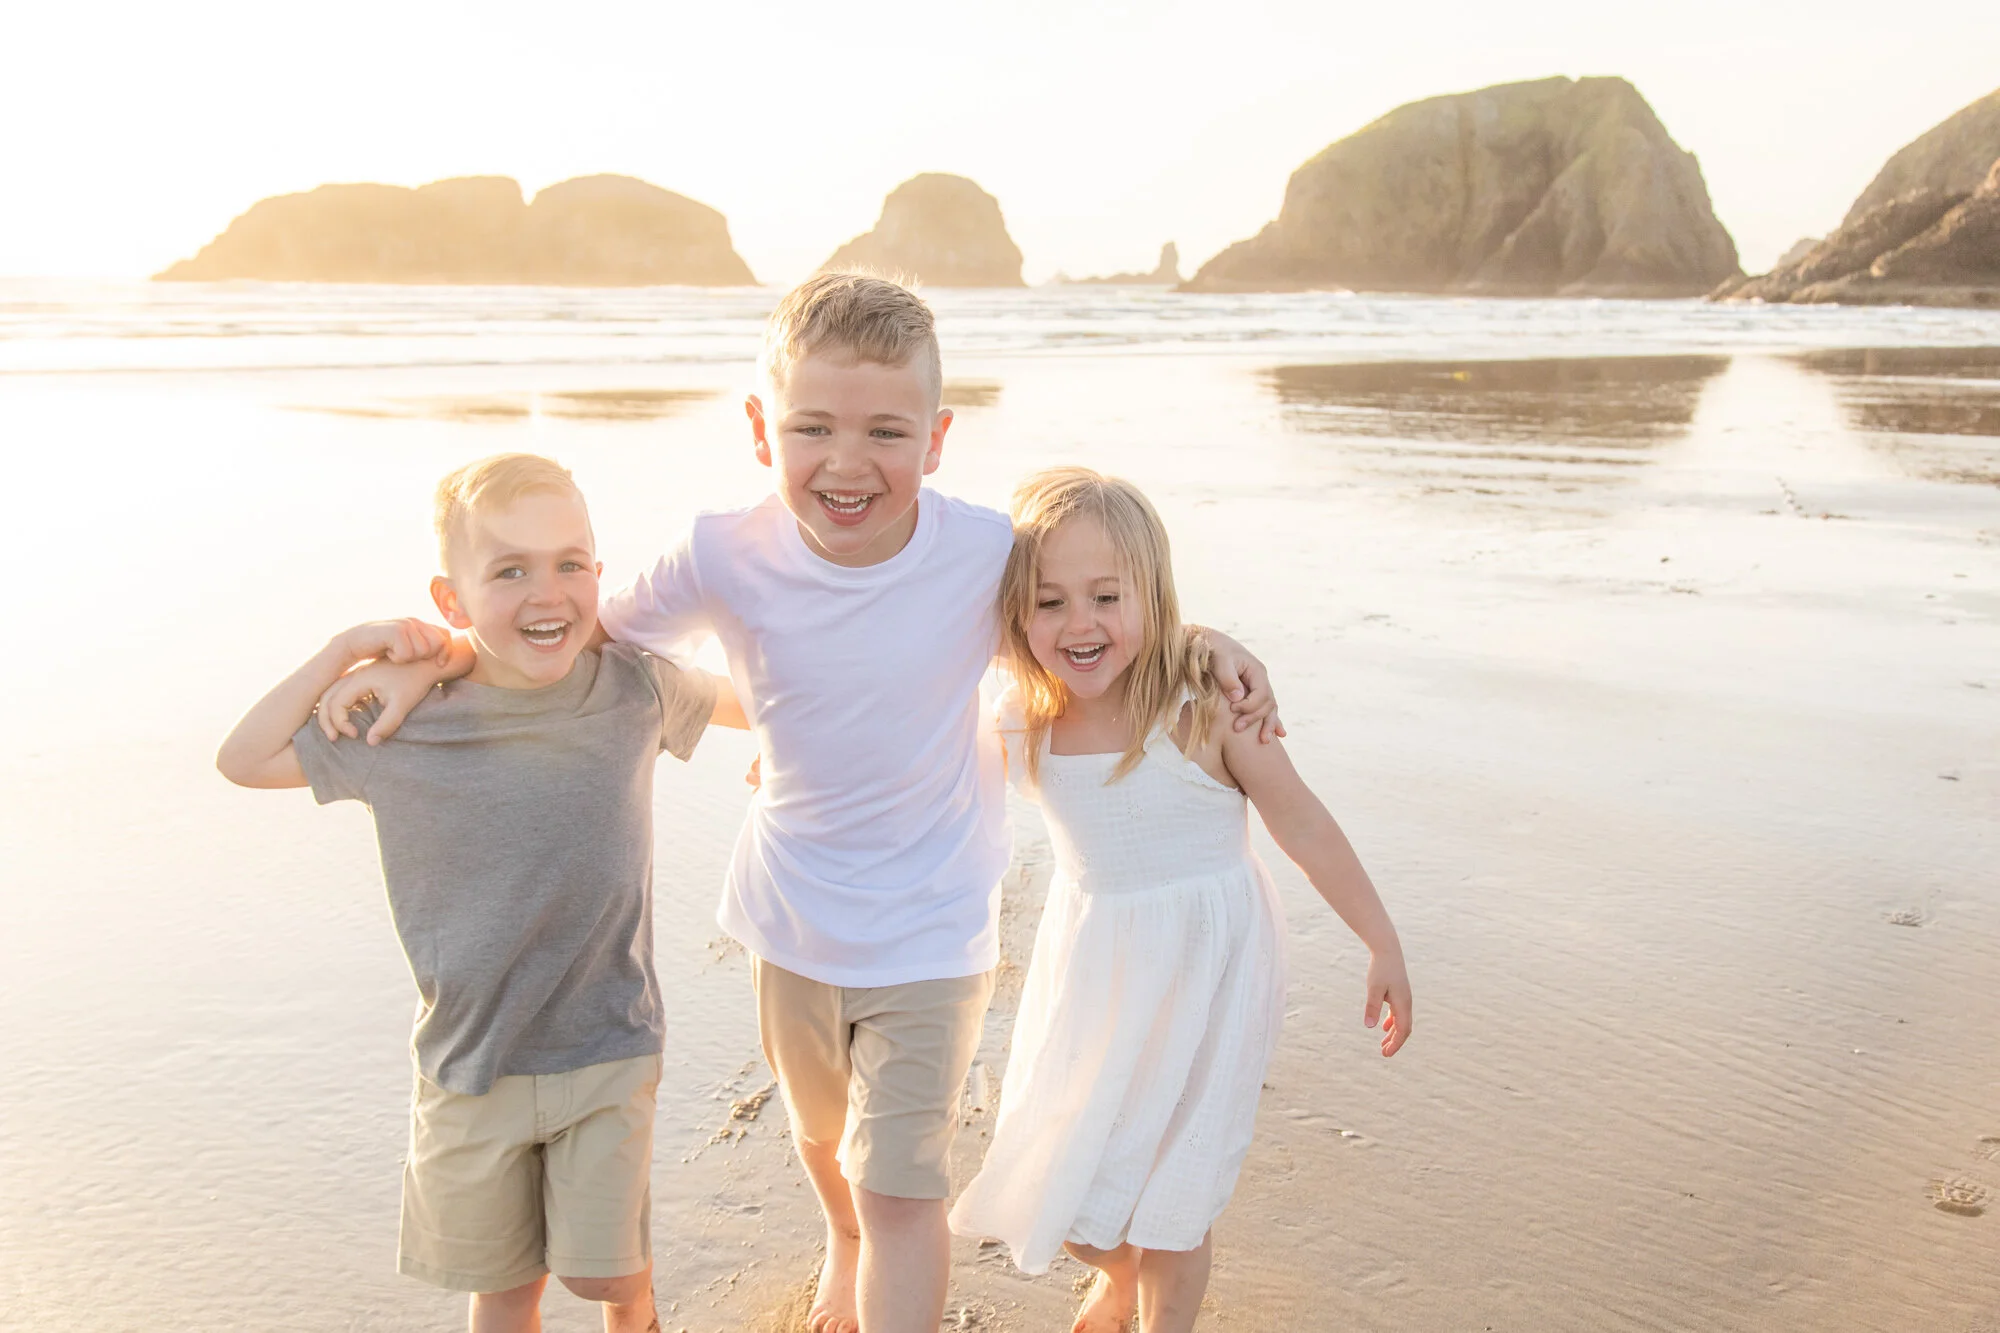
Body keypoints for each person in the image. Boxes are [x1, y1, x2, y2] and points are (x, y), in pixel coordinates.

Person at [335, 273, 1280, 1333]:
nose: (845, 461)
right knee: (823, 1137)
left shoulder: (982, 552)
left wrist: (1205, 642)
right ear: (757, 428)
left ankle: (870, 1243)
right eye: (810, 427)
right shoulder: (720, 554)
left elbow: (1096, 615)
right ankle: (839, 1239)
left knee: (902, 1179)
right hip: (791, 911)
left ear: (934, 437)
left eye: (884, 430)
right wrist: (442, 658)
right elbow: (572, 629)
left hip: (932, 924)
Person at [215, 453, 741, 1333]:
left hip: (606, 1045)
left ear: (599, 574)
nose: (548, 592)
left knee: (606, 1277)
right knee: (503, 1289)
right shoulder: (399, 722)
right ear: (449, 599)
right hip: (469, 1062)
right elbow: (242, 759)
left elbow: (761, 703)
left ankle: (642, 1313)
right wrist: (347, 648)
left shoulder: (634, 690)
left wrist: (803, 758)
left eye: (570, 563)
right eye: (510, 570)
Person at [948, 467, 1413, 1333]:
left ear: (1153, 598)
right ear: (1016, 614)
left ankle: (1161, 1309)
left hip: (1210, 968)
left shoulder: (1205, 712)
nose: (1079, 623)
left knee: (1176, 1191)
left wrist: (1381, 940)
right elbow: (921, 730)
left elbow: (1303, 823)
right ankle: (1117, 1274)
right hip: (1094, 968)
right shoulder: (1023, 717)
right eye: (1048, 601)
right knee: (1061, 1172)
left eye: (1105, 596)